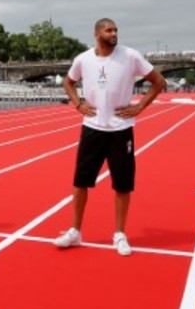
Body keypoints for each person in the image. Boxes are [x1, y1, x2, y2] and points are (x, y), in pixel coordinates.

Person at [53, 18, 166, 255]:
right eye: (109, 30)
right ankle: (75, 231)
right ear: (97, 34)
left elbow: (159, 81)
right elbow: (68, 82)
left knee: (122, 184)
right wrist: (78, 104)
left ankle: (119, 234)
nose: (114, 33)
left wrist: (139, 107)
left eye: (115, 30)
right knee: (81, 182)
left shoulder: (130, 56)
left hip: (120, 129)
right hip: (92, 127)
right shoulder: (83, 59)